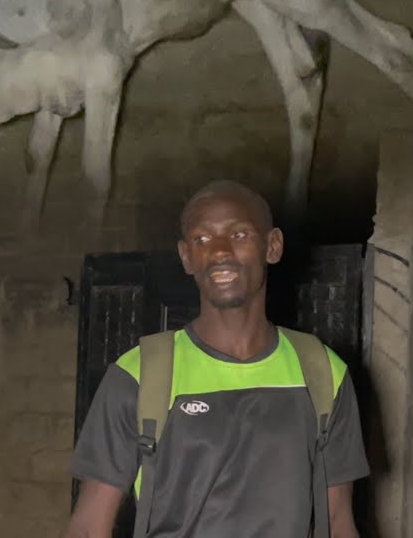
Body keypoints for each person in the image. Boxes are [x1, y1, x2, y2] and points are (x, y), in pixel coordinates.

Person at [64, 179, 369, 538]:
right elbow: (88, 527)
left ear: (272, 246)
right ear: (186, 256)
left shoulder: (322, 373)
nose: (220, 251)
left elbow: (338, 522)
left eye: (239, 235)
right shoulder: (141, 374)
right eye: (202, 239)